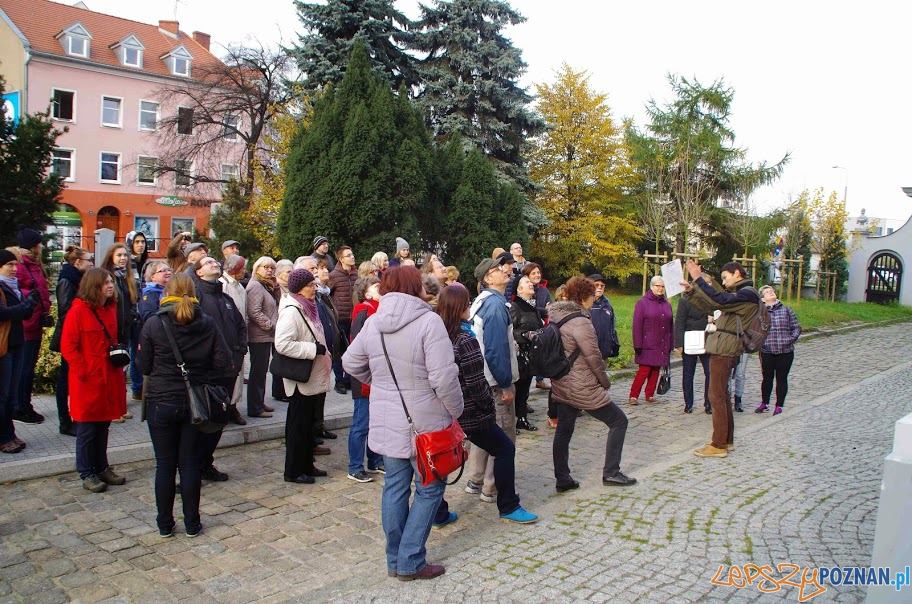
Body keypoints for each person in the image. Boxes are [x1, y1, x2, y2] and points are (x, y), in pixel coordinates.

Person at [343, 266, 463, 581]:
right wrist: (457, 409)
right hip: (426, 421)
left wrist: (381, 383)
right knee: (429, 488)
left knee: (395, 488)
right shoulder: (429, 321)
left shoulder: (374, 321)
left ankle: (396, 560)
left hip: (389, 419)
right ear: (415, 287)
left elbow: (350, 361)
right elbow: (444, 378)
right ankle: (410, 560)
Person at [437, 283, 537, 523]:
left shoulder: (437, 336)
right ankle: (509, 505)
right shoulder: (465, 340)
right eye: (467, 303)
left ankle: (438, 512)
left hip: (443, 410)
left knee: (439, 460)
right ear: (459, 307)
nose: (470, 306)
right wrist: (487, 409)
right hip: (470, 411)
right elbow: (476, 383)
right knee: (505, 448)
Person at [141, 274, 231, 537]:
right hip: (195, 401)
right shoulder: (206, 322)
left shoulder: (154, 323)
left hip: (162, 399)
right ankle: (192, 522)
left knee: (165, 465)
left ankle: (164, 524)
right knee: (189, 463)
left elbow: (144, 365)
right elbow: (222, 362)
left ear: (166, 292)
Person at [549, 276, 636, 491]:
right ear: (583, 297)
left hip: (562, 381)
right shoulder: (581, 322)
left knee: (564, 430)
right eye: (591, 294)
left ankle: (562, 479)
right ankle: (611, 472)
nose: (594, 298)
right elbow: (594, 357)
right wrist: (604, 382)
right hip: (582, 385)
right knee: (619, 421)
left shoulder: (556, 314)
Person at [681, 260, 762, 458]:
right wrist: (692, 292)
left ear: (737, 273)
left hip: (725, 349)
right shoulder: (740, 294)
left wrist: (698, 279)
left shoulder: (747, 293)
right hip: (723, 346)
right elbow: (712, 306)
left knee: (716, 396)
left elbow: (720, 301)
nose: (723, 282)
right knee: (722, 395)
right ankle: (727, 440)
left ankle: (718, 445)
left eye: (725, 278)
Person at [61, 268, 128, 492]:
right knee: (88, 428)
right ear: (94, 286)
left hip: (108, 376)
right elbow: (68, 347)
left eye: (111, 282)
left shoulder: (110, 308)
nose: (110, 286)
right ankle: (86, 471)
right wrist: (84, 371)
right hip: (88, 379)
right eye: (105, 283)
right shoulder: (78, 311)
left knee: (103, 425)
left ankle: (101, 467)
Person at [464, 256, 518, 504]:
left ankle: (475, 479)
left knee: (485, 431)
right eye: (499, 269)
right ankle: (491, 486)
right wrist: (505, 383)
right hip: (495, 382)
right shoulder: (495, 306)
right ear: (488, 277)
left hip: (483, 379)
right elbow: (496, 351)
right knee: (503, 436)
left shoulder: (482, 301)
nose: (506, 270)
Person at [191, 256, 247, 480]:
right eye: (207, 263)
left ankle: (206, 463)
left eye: (215, 262)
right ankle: (193, 466)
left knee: (219, 420)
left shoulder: (225, 298)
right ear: (198, 272)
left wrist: (240, 351)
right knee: (203, 421)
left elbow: (240, 326)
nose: (214, 263)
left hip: (228, 368)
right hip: (207, 371)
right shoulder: (196, 298)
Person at [276, 269, 333, 484]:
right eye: (310, 285)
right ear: (299, 289)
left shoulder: (308, 307)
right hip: (301, 378)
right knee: (298, 427)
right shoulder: (292, 311)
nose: (314, 288)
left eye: (314, 284)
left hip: (313, 376)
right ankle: (293, 470)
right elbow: (282, 344)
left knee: (308, 426)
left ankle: (307, 465)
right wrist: (312, 349)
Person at [49, 246, 93, 436]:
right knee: (65, 380)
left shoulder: (78, 278)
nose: (91, 263)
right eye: (88, 260)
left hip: (78, 336)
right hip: (70, 338)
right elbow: (65, 312)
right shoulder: (67, 280)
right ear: (77, 262)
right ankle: (64, 421)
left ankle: (76, 416)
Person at [0, 249, 40, 453]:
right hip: (3, 347)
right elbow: (3, 313)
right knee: (3, 394)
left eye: (16, 264)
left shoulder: (13, 287)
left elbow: (23, 315)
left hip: (17, 343)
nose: (15, 269)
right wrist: (26, 305)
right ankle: (3, 437)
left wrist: (29, 305)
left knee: (11, 395)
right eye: (10, 265)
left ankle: (9, 433)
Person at [346, 276, 383, 483]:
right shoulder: (363, 311)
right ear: (366, 293)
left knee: (376, 421)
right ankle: (355, 466)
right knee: (361, 422)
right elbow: (358, 346)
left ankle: (375, 460)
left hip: (376, 374)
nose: (381, 288)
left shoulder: (379, 309)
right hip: (363, 376)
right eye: (376, 286)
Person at [14, 228, 51, 424]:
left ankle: (23, 404)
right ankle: (21, 407)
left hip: (35, 322)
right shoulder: (21, 265)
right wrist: (33, 299)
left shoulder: (34, 264)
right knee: (25, 369)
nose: (41, 247)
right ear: (33, 246)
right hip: (27, 324)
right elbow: (16, 292)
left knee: (28, 368)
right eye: (39, 243)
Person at [101, 243, 141, 413]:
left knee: (122, 366)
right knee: (112, 367)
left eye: (125, 255)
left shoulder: (127, 277)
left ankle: (119, 404)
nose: (123, 258)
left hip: (126, 327)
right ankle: (112, 406)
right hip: (111, 328)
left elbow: (132, 301)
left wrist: (132, 316)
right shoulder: (107, 276)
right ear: (111, 257)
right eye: (119, 255)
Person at [755, 285, 801, 415]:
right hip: (767, 351)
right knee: (767, 378)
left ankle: (779, 405)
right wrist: (761, 343)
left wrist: (789, 340)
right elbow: (755, 330)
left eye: (772, 291)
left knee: (782, 378)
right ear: (762, 299)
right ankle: (764, 403)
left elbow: (796, 327)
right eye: (767, 292)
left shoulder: (786, 310)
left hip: (785, 351)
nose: (771, 293)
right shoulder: (760, 313)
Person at [629, 276, 673, 405]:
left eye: (662, 286)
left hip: (662, 342)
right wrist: (637, 344)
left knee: (656, 370)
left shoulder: (667, 304)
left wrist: (671, 343)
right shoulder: (642, 303)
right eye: (657, 286)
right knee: (644, 370)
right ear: (651, 287)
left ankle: (650, 394)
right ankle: (633, 395)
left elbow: (671, 326)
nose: (660, 288)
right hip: (647, 343)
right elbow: (637, 325)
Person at [246, 256, 280, 418]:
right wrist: (270, 326)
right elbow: (254, 311)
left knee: (261, 371)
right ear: (257, 268)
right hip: (259, 336)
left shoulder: (266, 285)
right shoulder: (255, 286)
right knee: (257, 372)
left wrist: (276, 287)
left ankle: (259, 401)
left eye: (272, 268)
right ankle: (255, 407)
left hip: (265, 335)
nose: (269, 270)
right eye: (265, 267)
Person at [675, 274, 712, 414]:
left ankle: (709, 403)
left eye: (709, 283)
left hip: (707, 340)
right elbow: (680, 322)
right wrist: (679, 343)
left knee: (710, 373)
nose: (708, 285)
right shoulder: (685, 300)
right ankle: (688, 403)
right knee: (688, 373)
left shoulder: (713, 300)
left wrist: (712, 319)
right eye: (705, 283)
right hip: (689, 340)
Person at [510, 275, 542, 432]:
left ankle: (522, 418)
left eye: (530, 282)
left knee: (525, 387)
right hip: (518, 353)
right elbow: (510, 330)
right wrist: (525, 335)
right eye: (526, 282)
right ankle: (512, 420)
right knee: (517, 387)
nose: (531, 284)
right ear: (519, 289)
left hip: (531, 353)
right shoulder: (515, 306)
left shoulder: (533, 306)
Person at [220, 254, 248, 424]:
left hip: (240, 338)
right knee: (229, 375)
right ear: (234, 269)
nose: (245, 271)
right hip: (228, 339)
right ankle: (225, 407)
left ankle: (233, 405)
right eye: (242, 268)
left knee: (239, 374)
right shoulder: (223, 285)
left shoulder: (240, 286)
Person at [329, 245, 357, 394]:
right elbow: (327, 294)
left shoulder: (355, 274)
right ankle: (339, 381)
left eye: (352, 254)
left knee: (352, 350)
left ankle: (348, 379)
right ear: (341, 259)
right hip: (340, 319)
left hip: (354, 318)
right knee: (339, 351)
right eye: (348, 255)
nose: (352, 257)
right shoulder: (334, 275)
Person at [588, 274, 621, 360]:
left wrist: (613, 345)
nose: (600, 287)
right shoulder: (583, 304)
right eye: (596, 285)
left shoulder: (607, 304)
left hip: (604, 351)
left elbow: (612, 327)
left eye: (602, 286)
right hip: (587, 352)